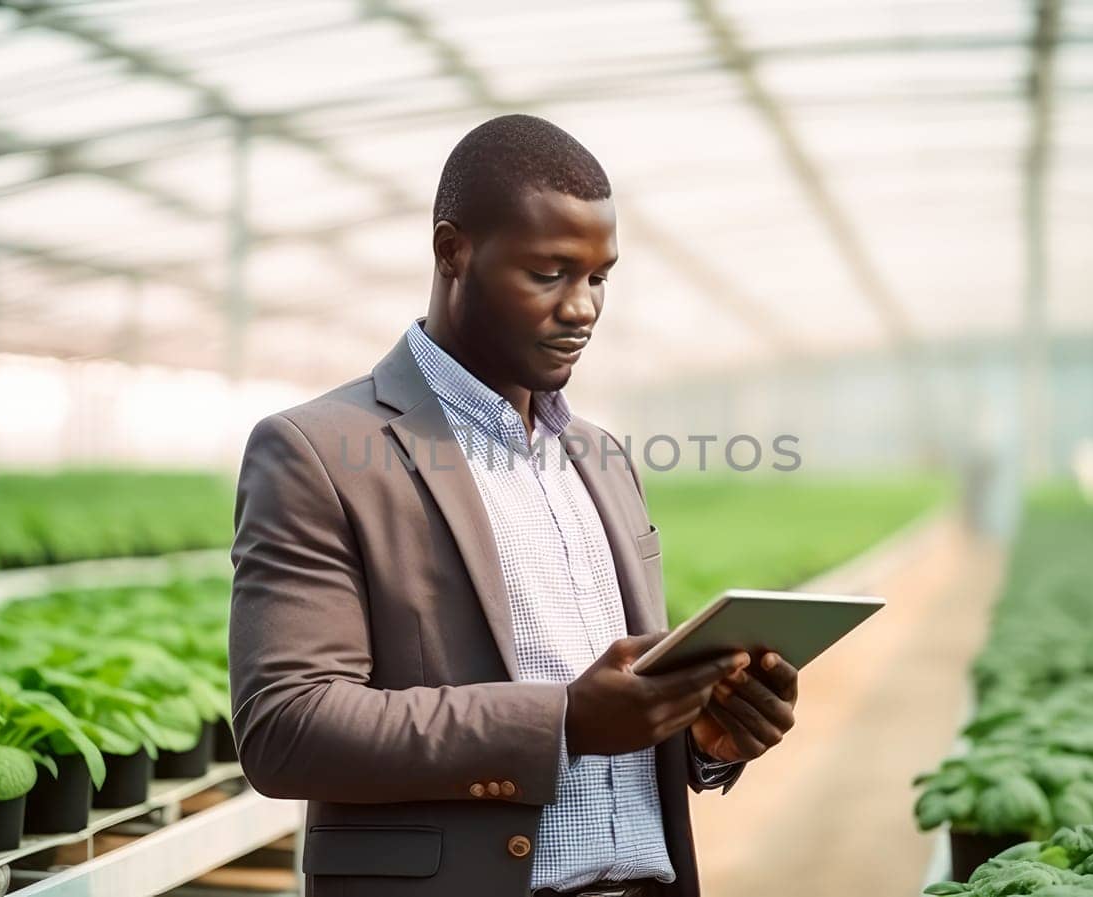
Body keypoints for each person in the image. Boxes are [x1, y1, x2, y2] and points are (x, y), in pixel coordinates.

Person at [228, 114, 800, 897]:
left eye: (598, 277)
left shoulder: (600, 457)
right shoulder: (319, 452)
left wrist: (701, 736)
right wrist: (560, 720)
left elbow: (617, 728)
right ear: (451, 250)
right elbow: (285, 729)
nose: (583, 308)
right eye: (550, 273)